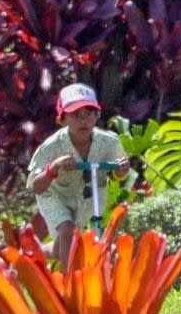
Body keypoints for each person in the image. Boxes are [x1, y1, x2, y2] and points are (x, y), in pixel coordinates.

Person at [27, 83, 130, 268]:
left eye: (89, 113)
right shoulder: (51, 146)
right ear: (62, 119)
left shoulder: (109, 142)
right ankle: (70, 284)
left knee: (73, 243)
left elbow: (116, 174)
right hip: (55, 194)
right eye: (75, 115)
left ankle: (38, 253)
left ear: (97, 116)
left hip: (88, 197)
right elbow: (36, 186)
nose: (84, 121)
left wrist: (120, 171)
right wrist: (54, 168)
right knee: (67, 231)